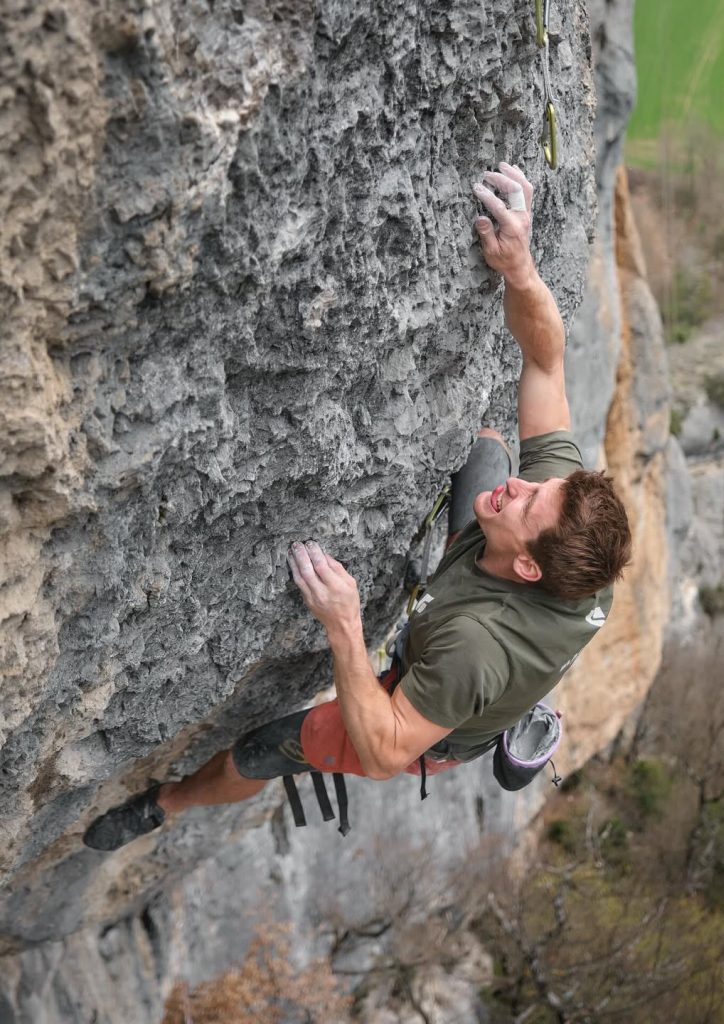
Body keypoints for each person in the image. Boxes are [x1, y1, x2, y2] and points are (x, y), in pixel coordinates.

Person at [84, 163, 631, 851]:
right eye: (538, 484)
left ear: (527, 566)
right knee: (487, 444)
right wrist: (520, 268)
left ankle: (168, 803)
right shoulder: (565, 521)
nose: (522, 487)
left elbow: (384, 753)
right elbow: (545, 364)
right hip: (493, 609)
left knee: (266, 748)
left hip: (427, 712)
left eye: (524, 507)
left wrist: (344, 625)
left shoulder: (473, 652)